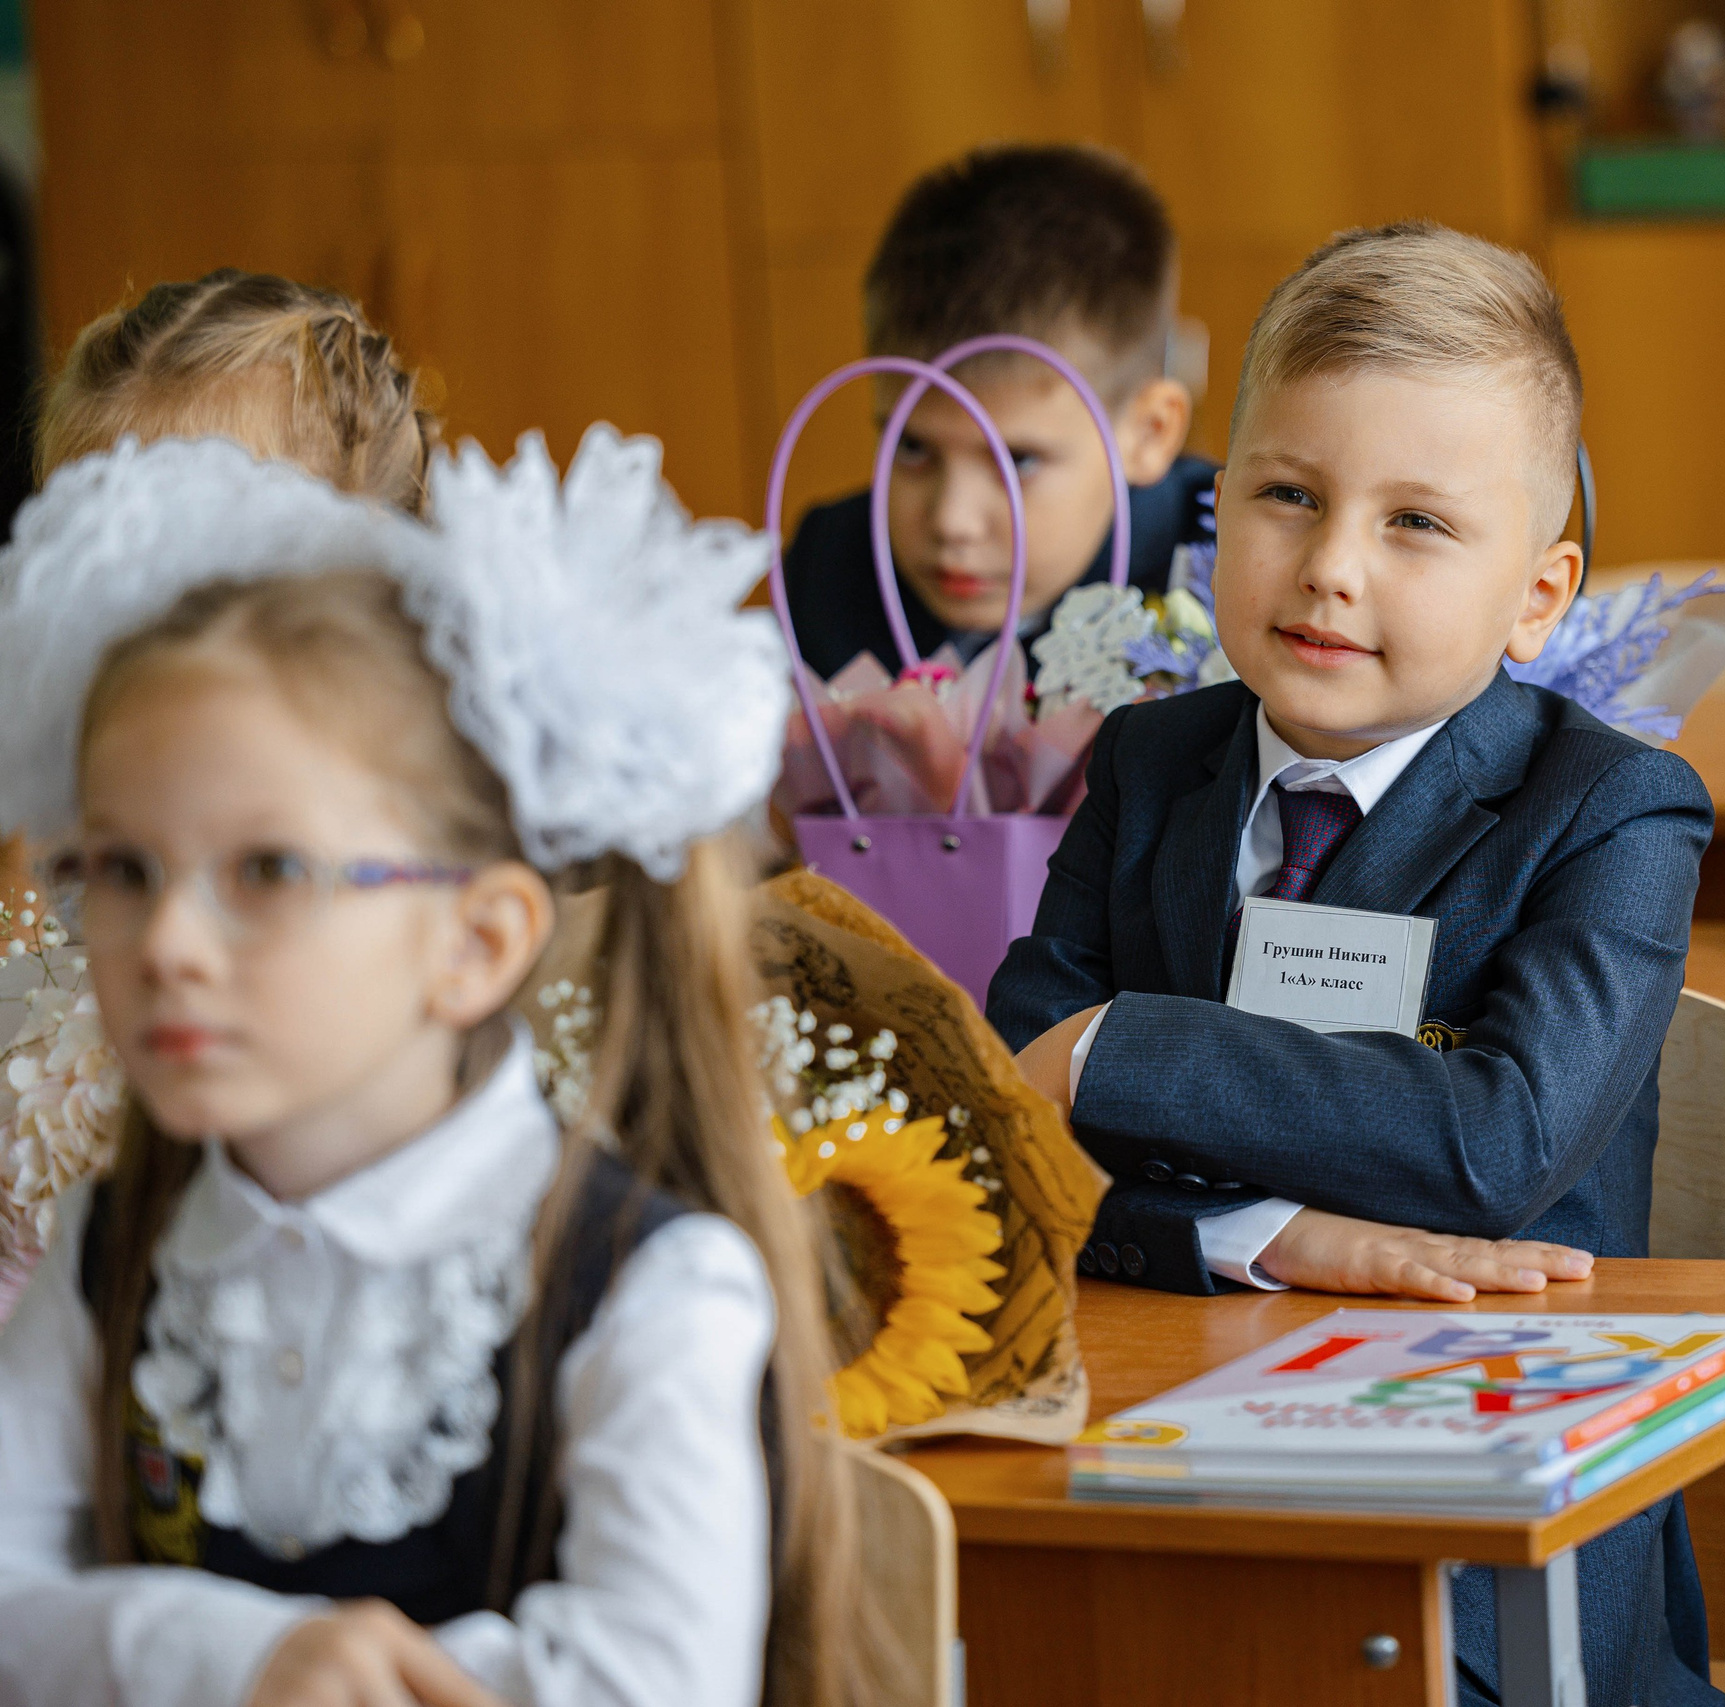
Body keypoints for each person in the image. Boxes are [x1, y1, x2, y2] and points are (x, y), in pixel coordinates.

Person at [0, 428, 860, 1707]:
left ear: (476, 941)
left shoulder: (650, 1290)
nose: (167, 943)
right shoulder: (113, 1249)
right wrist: (240, 1661)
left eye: (270, 871)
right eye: (122, 869)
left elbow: (653, 1682)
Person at [989, 222, 1722, 1707]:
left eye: (1416, 524)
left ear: (1540, 592)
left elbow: (1494, 1137)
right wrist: (1265, 1229)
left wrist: (1127, 1046)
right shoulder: (1148, 760)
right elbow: (1006, 1111)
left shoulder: (1613, 809)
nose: (1328, 567)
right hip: (1161, 1399)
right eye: (1288, 495)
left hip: (1488, 1511)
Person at [2, 269, 436, 952]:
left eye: (199, 582)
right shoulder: (48, 814)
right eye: (99, 571)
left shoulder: (405, 837)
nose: (150, 633)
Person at [779, 143, 1211, 681]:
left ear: (1149, 433)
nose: (951, 522)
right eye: (912, 448)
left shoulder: (1229, 582)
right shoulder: (828, 568)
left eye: (1018, 459)